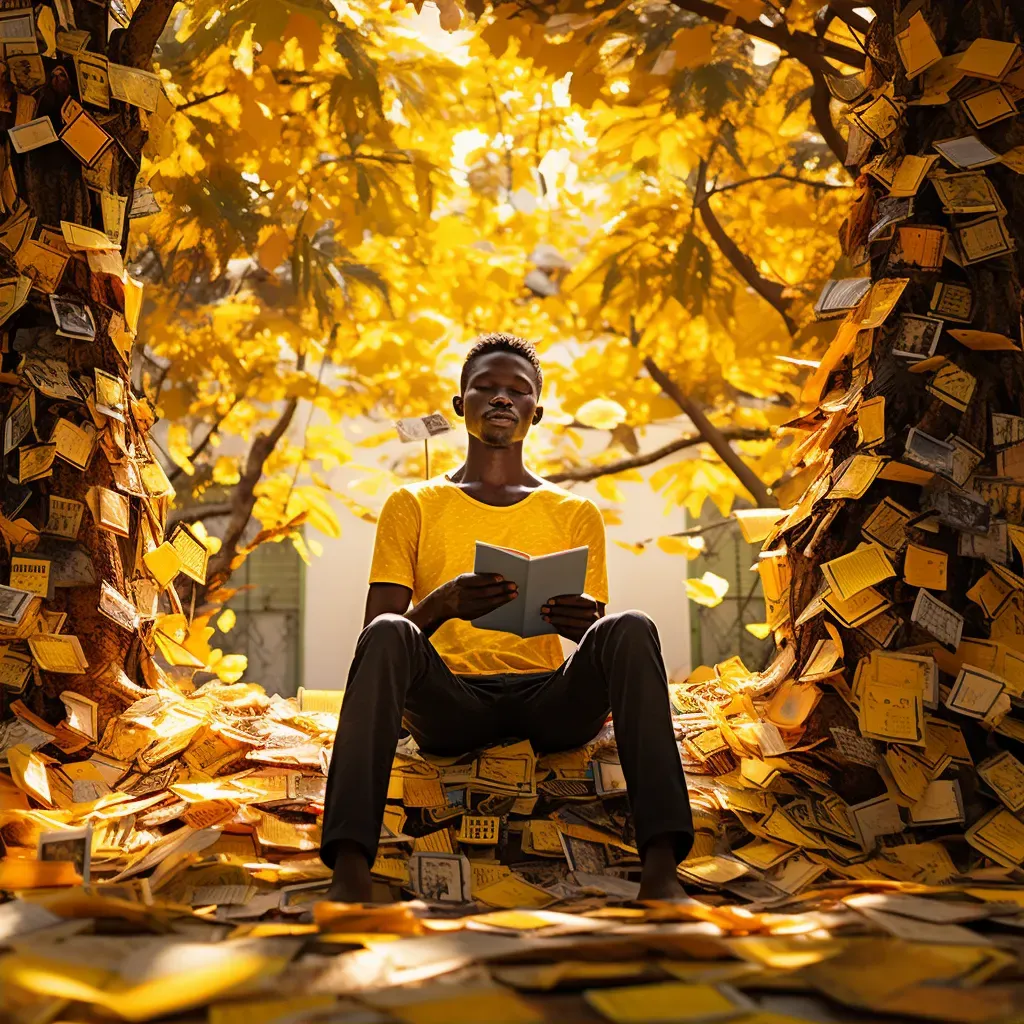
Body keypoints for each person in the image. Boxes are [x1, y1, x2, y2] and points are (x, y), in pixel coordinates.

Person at [320, 332, 694, 902]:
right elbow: (378, 636)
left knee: (631, 625)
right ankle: (349, 873)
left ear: (535, 412)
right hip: (451, 706)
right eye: (485, 388)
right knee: (393, 631)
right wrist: (442, 606)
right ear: (459, 405)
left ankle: (662, 871)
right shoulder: (412, 504)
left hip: (547, 701)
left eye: (517, 390)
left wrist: (584, 626)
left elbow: (598, 635)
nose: (501, 398)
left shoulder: (575, 512)